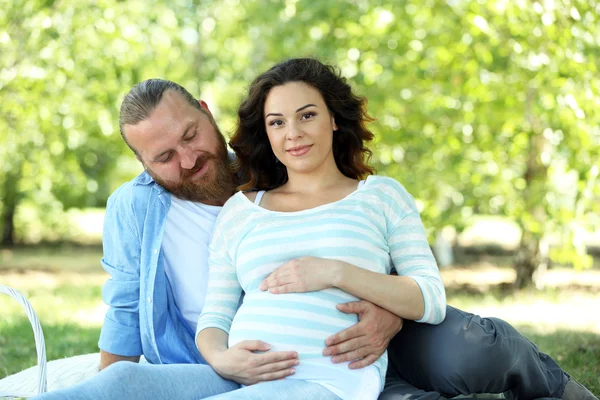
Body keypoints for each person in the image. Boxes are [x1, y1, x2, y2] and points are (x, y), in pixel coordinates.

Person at [33, 67, 597, 399]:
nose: (189, 158)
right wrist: (213, 360)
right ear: (141, 163)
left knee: (471, 351)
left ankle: (550, 383)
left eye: (191, 134)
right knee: (122, 387)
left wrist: (377, 303)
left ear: (208, 113)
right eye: (163, 156)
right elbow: (133, 310)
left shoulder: (286, 166)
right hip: (234, 364)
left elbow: (398, 266)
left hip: (357, 336)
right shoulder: (144, 209)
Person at [195, 57, 446, 400]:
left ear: (334, 119)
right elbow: (215, 316)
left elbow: (430, 297)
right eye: (277, 122)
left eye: (307, 115)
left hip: (328, 382)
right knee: (121, 383)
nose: (293, 133)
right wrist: (222, 360)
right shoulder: (239, 210)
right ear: (266, 133)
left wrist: (333, 272)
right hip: (237, 379)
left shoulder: (380, 197)